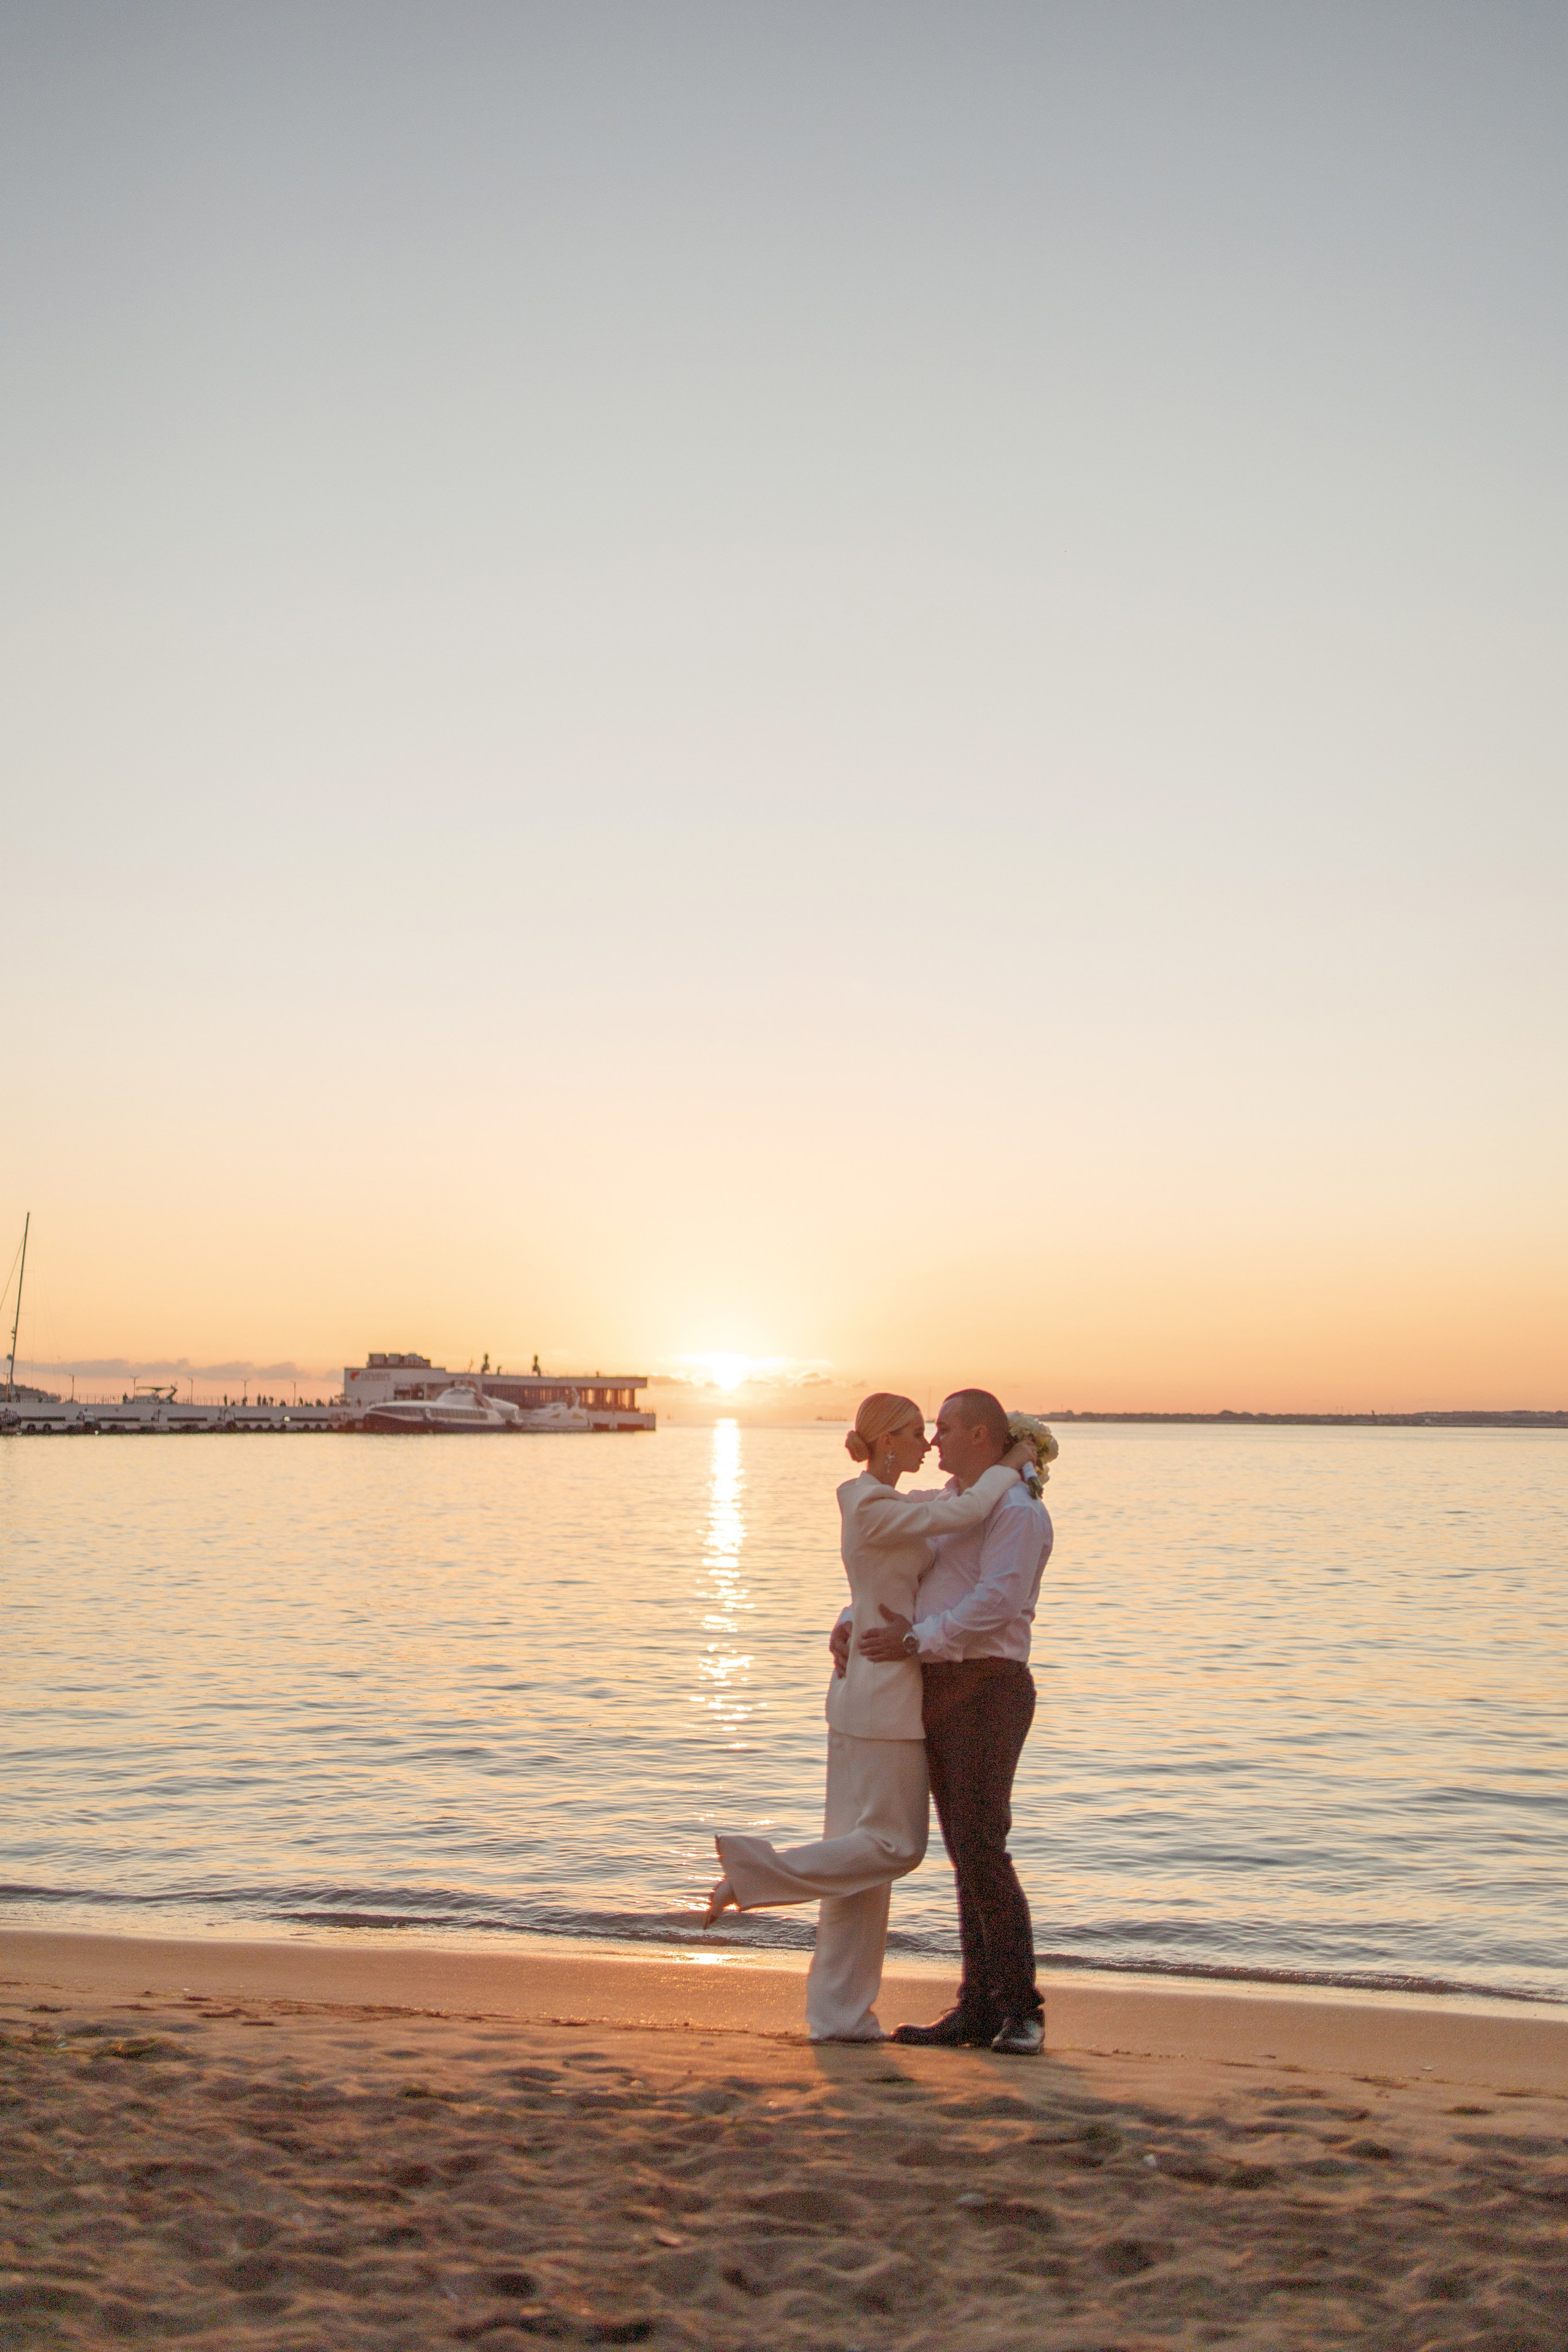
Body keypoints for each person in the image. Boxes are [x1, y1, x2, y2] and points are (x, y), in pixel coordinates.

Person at [703, 1393, 1027, 2041]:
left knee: (861, 1874)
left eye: (932, 1431)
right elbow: (963, 1508)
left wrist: (849, 1619)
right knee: (893, 1847)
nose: (928, 1444)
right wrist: (1016, 1461)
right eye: (914, 1433)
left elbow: (924, 1535)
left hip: (863, 1688)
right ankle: (751, 1873)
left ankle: (838, 2013)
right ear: (884, 1444)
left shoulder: (891, 1505)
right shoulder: (869, 1502)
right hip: (883, 1697)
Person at [851, 1388, 1054, 2056]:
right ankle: (977, 2007)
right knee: (965, 1851)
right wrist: (855, 1621)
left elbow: (997, 1602)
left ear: (978, 1435)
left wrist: (916, 1640)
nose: (933, 1441)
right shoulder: (948, 1504)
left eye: (943, 1427)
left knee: (982, 1847)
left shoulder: (1018, 1513)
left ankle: (1021, 2010)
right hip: (937, 1684)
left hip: (986, 1686)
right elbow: (905, 1576)